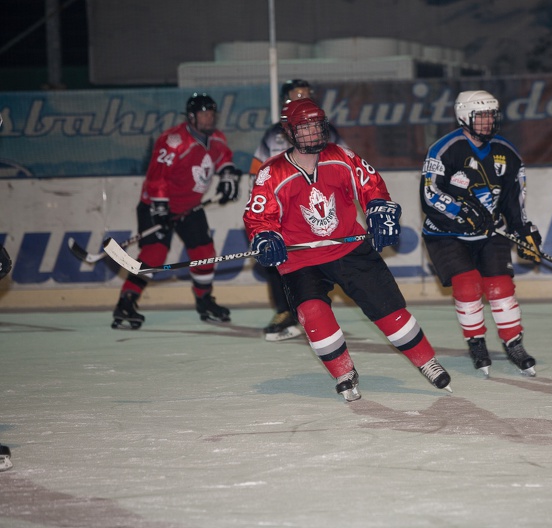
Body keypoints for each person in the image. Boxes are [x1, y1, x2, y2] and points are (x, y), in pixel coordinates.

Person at [243, 98, 452, 402]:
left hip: (349, 247)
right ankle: (343, 372)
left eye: (317, 125)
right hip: (301, 259)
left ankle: (426, 361)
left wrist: (379, 208)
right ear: (289, 132)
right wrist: (264, 236)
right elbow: (258, 215)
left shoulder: (342, 156)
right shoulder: (271, 172)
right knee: (313, 313)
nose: (313, 133)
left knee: (389, 311)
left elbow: (371, 186)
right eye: (304, 127)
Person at [419, 90, 543, 377]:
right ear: (464, 117)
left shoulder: (508, 153)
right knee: (467, 284)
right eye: (481, 116)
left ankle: (514, 343)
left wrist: (523, 230)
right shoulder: (444, 149)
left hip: (490, 231)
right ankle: (476, 343)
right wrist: (460, 211)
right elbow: (429, 193)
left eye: (491, 116)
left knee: (500, 286)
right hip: (445, 233)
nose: (488, 122)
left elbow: (514, 200)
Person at [111, 93, 242, 330]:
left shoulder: (218, 138)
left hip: (190, 208)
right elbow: (157, 175)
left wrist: (228, 175)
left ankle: (204, 301)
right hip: (156, 205)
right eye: (204, 114)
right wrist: (160, 206)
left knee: (205, 252)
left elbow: (224, 158)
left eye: (211, 113)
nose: (209, 118)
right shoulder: (173, 141)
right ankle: (126, 302)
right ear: (191, 116)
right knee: (155, 254)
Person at [248, 79, 346, 341]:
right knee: (276, 260)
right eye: (296, 95)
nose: (303, 98)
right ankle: (284, 311)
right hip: (281, 209)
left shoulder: (326, 130)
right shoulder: (273, 133)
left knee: (321, 258)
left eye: (306, 94)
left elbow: (345, 167)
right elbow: (257, 172)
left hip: (314, 208)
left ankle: (314, 311)